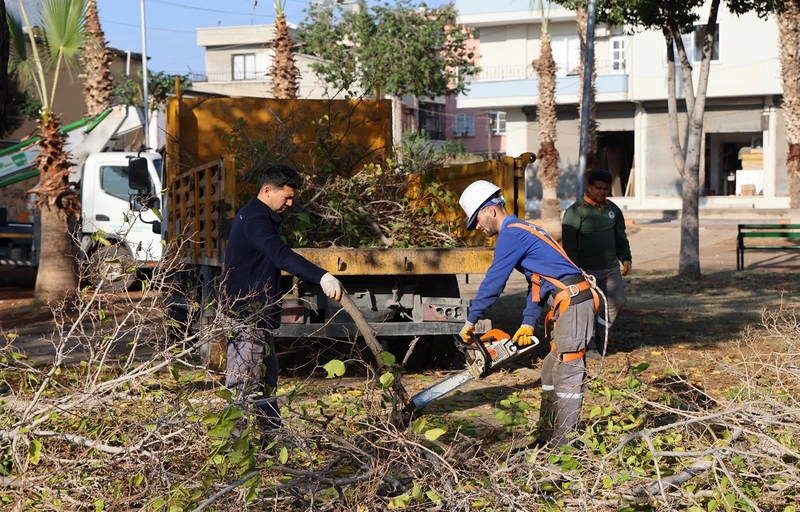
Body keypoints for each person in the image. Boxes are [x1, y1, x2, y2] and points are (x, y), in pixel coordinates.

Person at [458, 180, 598, 447]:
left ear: (490, 210)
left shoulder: (511, 233)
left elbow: (494, 281)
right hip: (566, 302)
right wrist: (527, 323)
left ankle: (564, 446)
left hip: (574, 300)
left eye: (476, 219)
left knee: (567, 370)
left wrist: (471, 319)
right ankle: (546, 439)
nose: (476, 226)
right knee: (549, 369)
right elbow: (537, 283)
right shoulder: (521, 231)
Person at [222, 164, 344, 432]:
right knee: (241, 386)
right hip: (247, 316)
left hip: (255, 316)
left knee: (266, 381)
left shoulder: (257, 215)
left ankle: (271, 440)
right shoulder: (256, 219)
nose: (290, 203)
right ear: (268, 190)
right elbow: (281, 255)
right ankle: (233, 447)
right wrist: (322, 276)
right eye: (286, 197)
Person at [561, 169, 632, 359]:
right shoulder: (576, 211)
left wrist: (626, 258)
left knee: (618, 301)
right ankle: (590, 345)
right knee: (589, 307)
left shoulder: (613, 210)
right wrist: (575, 270)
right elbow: (569, 245)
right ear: (589, 187)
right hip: (586, 269)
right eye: (598, 188)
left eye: (605, 189)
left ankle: (601, 334)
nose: (602, 192)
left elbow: (620, 237)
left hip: (610, 268)